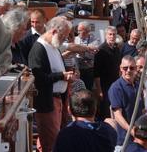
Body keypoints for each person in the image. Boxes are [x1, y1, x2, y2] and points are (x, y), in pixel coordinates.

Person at [29, 16, 77, 152]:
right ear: (54, 32)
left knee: (56, 140)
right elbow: (38, 78)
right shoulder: (39, 49)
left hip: (57, 100)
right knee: (51, 143)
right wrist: (61, 75)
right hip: (47, 103)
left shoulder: (53, 46)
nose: (65, 40)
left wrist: (66, 74)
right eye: (63, 36)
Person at [108, 55, 145, 148]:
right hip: (125, 140)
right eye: (125, 68)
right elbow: (117, 115)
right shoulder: (116, 88)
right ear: (121, 69)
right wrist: (133, 132)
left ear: (136, 69)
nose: (128, 70)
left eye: (131, 68)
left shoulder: (138, 86)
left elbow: (143, 111)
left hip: (140, 137)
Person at [94, 26, 121, 120]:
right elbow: (96, 73)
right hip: (104, 86)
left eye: (114, 34)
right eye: (110, 34)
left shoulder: (117, 49)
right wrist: (99, 90)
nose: (112, 36)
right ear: (106, 36)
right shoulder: (100, 50)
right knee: (105, 111)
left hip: (115, 84)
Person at [74, 21, 100, 90]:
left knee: (87, 90)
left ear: (87, 31)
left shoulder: (95, 40)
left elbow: (92, 55)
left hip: (88, 70)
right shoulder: (75, 39)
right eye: (77, 30)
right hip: (77, 69)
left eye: (80, 30)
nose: (78, 32)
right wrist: (87, 49)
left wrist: (78, 50)